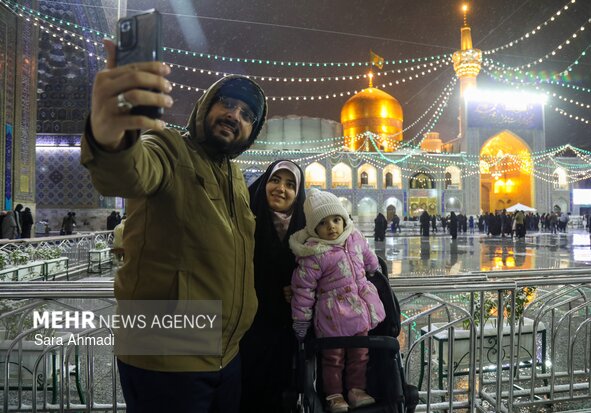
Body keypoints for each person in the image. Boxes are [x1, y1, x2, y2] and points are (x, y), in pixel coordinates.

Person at [80, 38, 267, 413]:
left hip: (225, 354)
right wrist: (112, 127)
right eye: (227, 104)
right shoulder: (169, 148)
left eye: (247, 114)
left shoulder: (234, 177)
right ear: (206, 107)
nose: (234, 115)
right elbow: (127, 171)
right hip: (166, 354)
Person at [289, 188, 386, 412]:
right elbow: (303, 290)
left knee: (360, 355)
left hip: (360, 312)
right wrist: (301, 320)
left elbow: (368, 255)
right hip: (333, 317)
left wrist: (375, 268)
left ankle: (356, 390)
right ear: (314, 228)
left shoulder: (354, 237)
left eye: (336, 220)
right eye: (323, 223)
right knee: (333, 358)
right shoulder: (314, 253)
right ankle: (334, 395)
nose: (331, 226)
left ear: (344, 219)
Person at [240, 160, 306, 413]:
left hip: (287, 331)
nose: (281, 189)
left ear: (298, 193)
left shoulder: (307, 230)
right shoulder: (243, 220)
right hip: (247, 326)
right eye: (275, 180)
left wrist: (302, 289)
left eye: (290, 185)